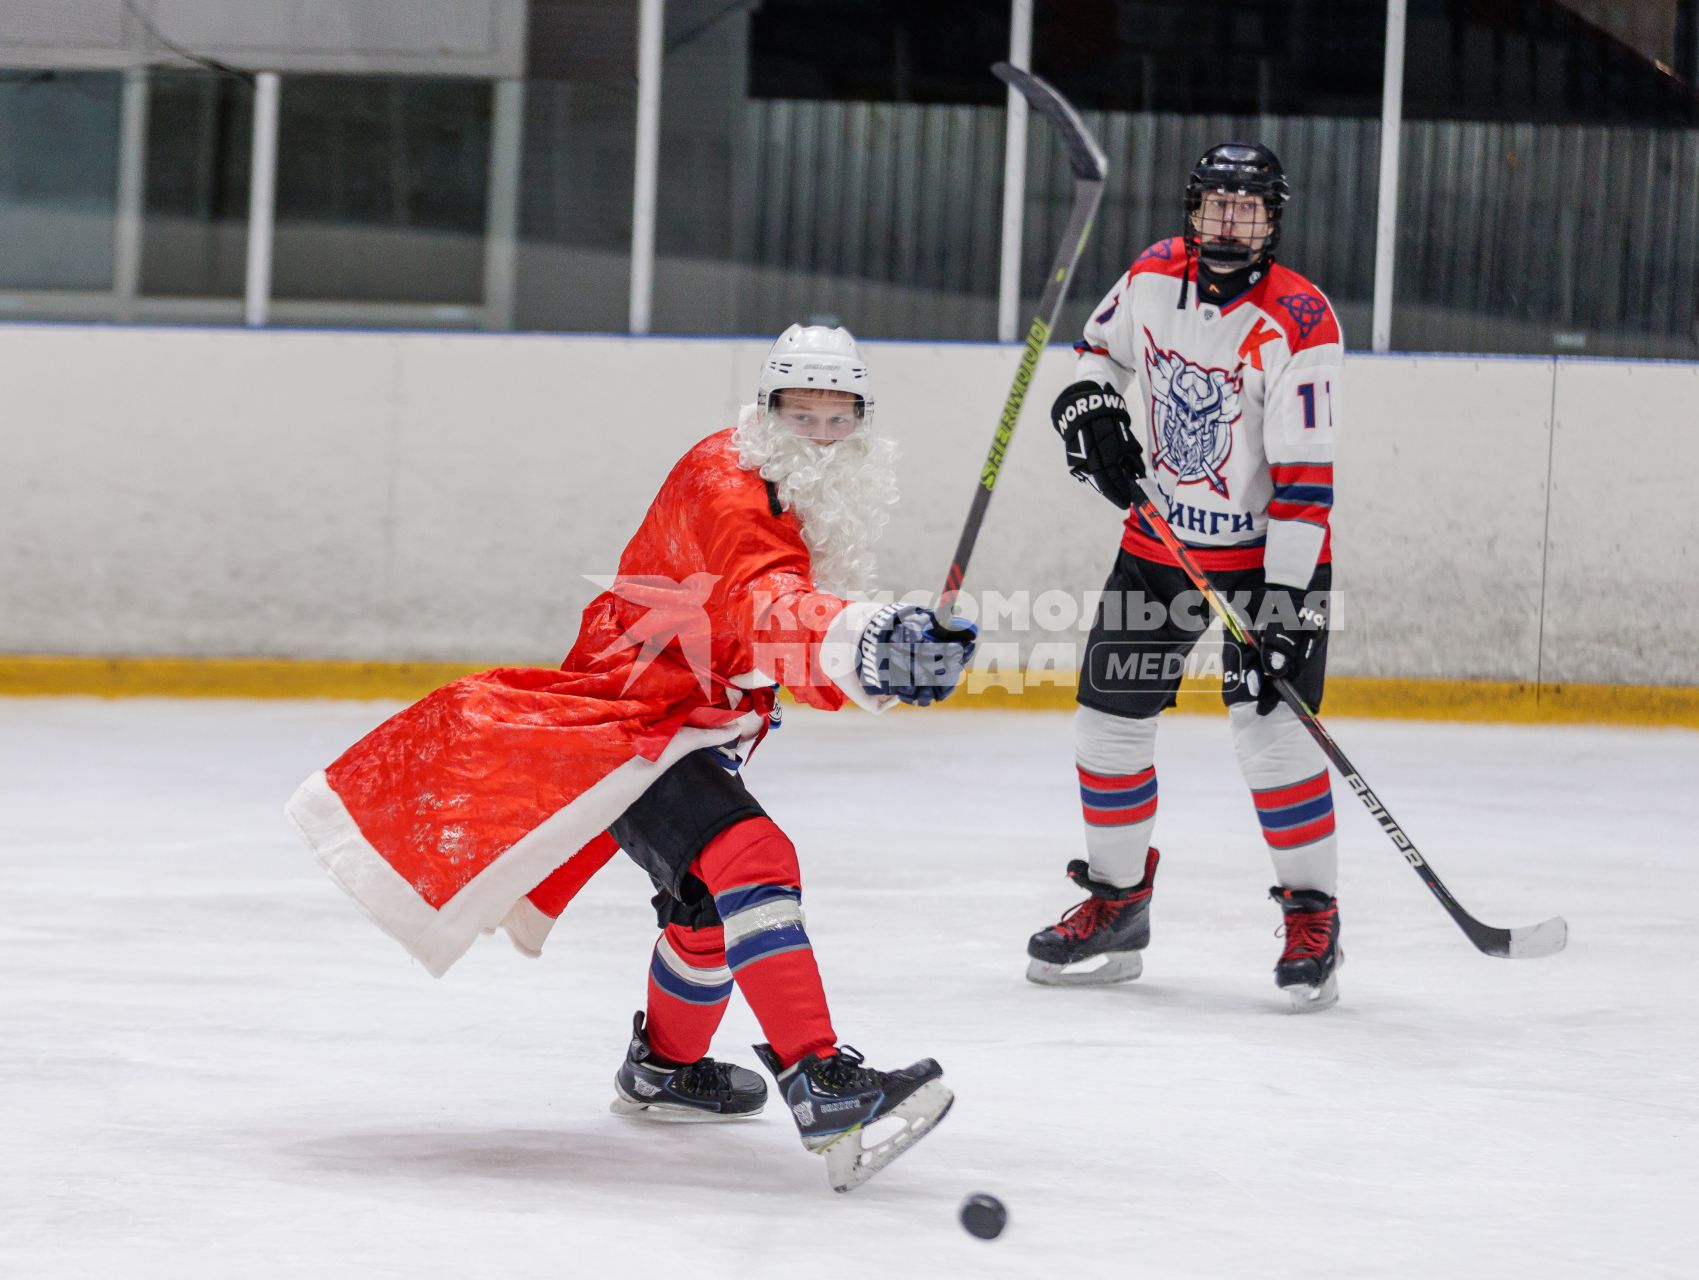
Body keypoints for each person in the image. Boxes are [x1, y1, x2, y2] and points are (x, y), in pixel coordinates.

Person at [287, 324, 978, 1191]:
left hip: (687, 720)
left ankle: (664, 1070)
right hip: (635, 721)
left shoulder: (795, 489)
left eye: (838, 419)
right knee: (754, 860)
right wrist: (868, 641)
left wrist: (885, 655)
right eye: (802, 416)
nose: (821, 437)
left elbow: (769, 631)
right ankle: (820, 1079)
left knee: (706, 903)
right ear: (767, 411)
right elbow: (765, 603)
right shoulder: (729, 483)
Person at [1025, 142, 1347, 1012]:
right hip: (1159, 551)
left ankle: (1312, 918)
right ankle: (1118, 907)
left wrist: (1284, 606)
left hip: (1269, 565)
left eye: (1249, 207)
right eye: (1216, 203)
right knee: (1107, 725)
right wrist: (1090, 406)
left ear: (1273, 219)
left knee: (1274, 738)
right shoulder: (1152, 275)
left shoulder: (1302, 320)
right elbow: (1099, 353)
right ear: (1193, 209)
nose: (1229, 221)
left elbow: (1307, 482)